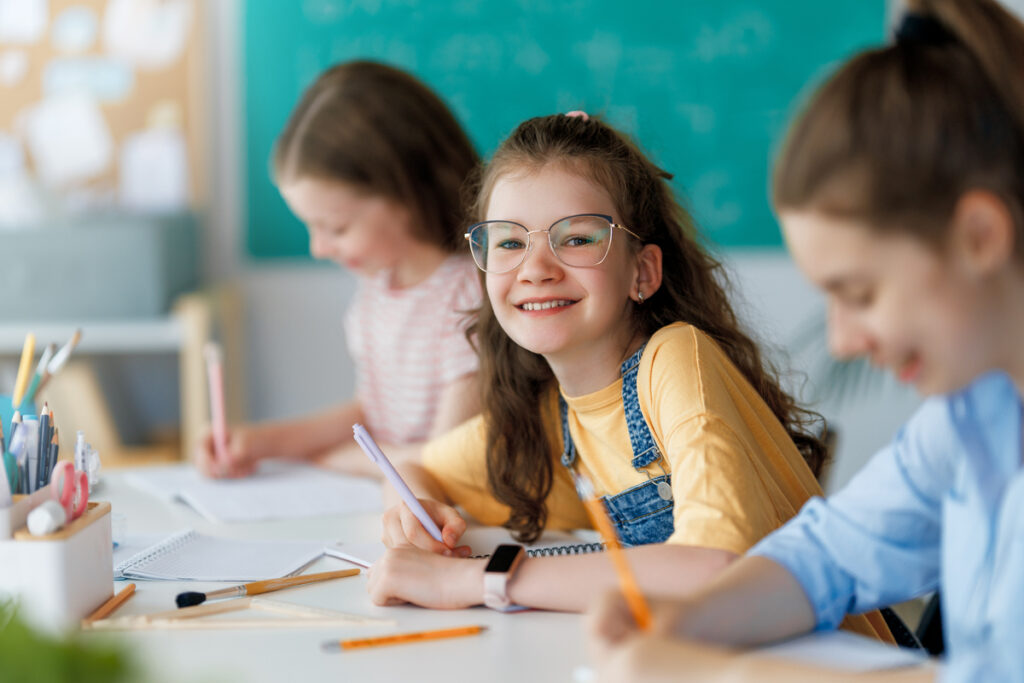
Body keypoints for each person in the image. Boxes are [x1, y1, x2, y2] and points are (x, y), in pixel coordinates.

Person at [588, 1, 1024, 680]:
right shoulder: (972, 416)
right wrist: (684, 621)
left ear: (979, 237)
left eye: (858, 292)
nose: (844, 340)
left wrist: (722, 672)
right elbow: (833, 553)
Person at [365, 112, 889, 640]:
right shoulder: (552, 416)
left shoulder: (674, 359)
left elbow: (714, 567)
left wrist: (476, 580)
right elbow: (412, 466)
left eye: (576, 239)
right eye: (507, 242)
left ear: (642, 272)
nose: (535, 267)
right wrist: (412, 518)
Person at [196, 61, 483, 479]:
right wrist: (258, 443)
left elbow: (445, 460)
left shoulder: (469, 296)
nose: (318, 247)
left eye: (336, 228)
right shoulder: (379, 289)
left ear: (406, 190)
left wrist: (334, 460)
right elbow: (373, 413)